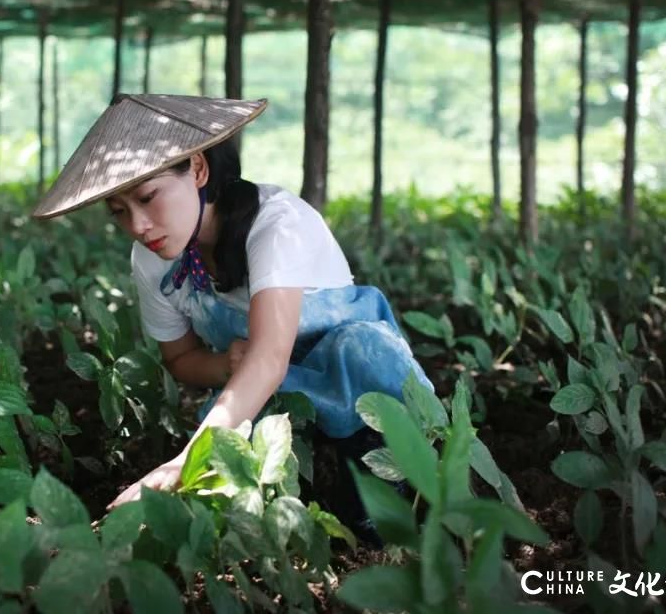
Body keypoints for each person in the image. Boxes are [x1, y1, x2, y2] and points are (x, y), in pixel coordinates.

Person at [32, 94, 432, 513]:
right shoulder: (152, 258)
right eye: (118, 211)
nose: (138, 225)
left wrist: (184, 462)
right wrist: (225, 364)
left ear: (198, 169)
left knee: (360, 359)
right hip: (268, 401)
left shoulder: (277, 226)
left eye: (148, 198)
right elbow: (182, 357)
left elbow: (269, 360)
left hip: (366, 400)